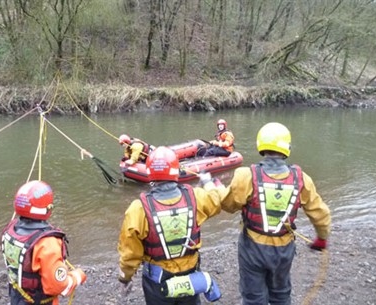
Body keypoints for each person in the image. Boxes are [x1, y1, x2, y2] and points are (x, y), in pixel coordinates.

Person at [220, 122, 331, 305]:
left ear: (260, 144)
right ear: (286, 147)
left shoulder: (245, 176)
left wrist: (219, 190)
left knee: (253, 298)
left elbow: (229, 205)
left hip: (252, 249)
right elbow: (321, 214)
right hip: (284, 250)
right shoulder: (302, 179)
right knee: (281, 294)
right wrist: (322, 237)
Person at [117, 146, 224, 305]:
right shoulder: (196, 197)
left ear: (150, 172)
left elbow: (129, 254)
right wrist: (208, 182)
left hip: (157, 282)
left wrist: (125, 278)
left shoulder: (138, 209)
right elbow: (217, 200)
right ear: (175, 170)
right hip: (191, 276)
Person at [1, 180, 87, 305]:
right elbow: (56, 286)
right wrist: (77, 277)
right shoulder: (47, 243)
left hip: (18, 296)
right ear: (47, 208)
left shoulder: (10, 229)